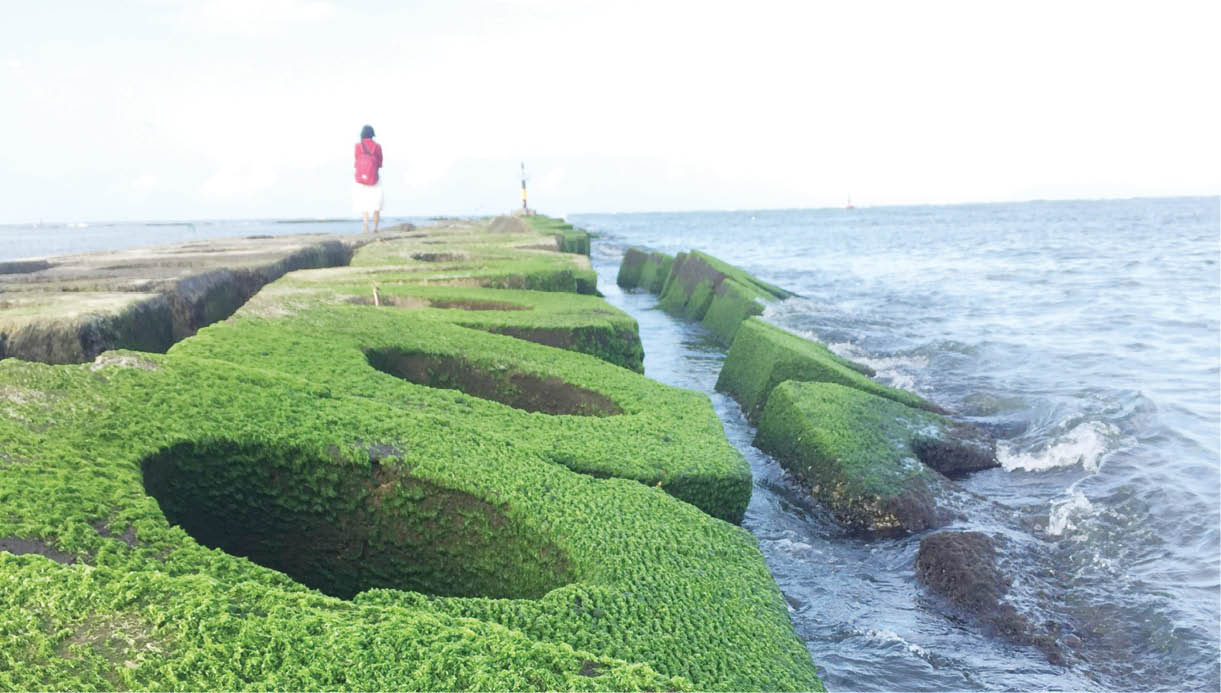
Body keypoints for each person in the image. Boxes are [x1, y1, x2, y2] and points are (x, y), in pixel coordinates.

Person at [353, 124, 384, 232]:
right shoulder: (377, 146)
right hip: (374, 178)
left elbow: (356, 161)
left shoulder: (357, 146)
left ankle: (366, 225)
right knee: (376, 203)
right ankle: (375, 227)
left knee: (363, 202)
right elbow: (380, 163)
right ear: (372, 134)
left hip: (361, 179)